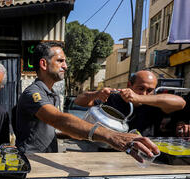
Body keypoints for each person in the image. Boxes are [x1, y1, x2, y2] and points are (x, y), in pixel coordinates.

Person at [15, 42, 159, 161]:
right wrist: (111, 136)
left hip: (46, 158)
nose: (65, 66)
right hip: (31, 161)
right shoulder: (33, 93)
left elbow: (53, 129)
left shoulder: (53, 95)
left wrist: (87, 134)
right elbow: (58, 120)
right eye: (60, 61)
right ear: (44, 64)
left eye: (65, 61)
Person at [74, 70, 186, 137]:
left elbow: (180, 103)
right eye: (141, 88)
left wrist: (139, 98)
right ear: (130, 85)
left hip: (141, 155)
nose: (144, 93)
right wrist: (96, 93)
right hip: (107, 152)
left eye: (149, 90)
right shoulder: (114, 97)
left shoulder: (155, 104)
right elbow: (79, 101)